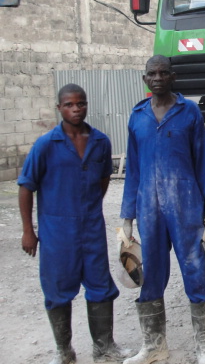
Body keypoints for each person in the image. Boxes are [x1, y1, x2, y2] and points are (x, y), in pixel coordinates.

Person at [120, 55, 205, 364]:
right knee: (150, 272)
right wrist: (126, 217)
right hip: (148, 210)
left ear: (173, 76)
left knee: (194, 271)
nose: (158, 77)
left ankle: (203, 347)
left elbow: (203, 164)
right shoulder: (137, 116)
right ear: (145, 79)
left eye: (163, 72)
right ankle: (154, 346)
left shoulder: (188, 112)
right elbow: (133, 171)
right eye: (152, 73)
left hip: (185, 205)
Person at [18, 83, 131, 364]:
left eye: (80, 103)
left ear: (86, 105)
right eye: (69, 105)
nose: (76, 109)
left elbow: (104, 179)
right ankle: (64, 351)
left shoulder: (100, 142)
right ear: (59, 108)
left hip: (90, 227)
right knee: (57, 289)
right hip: (57, 230)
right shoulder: (46, 145)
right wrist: (28, 231)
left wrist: (90, 207)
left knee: (100, 286)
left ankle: (104, 346)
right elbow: (25, 187)